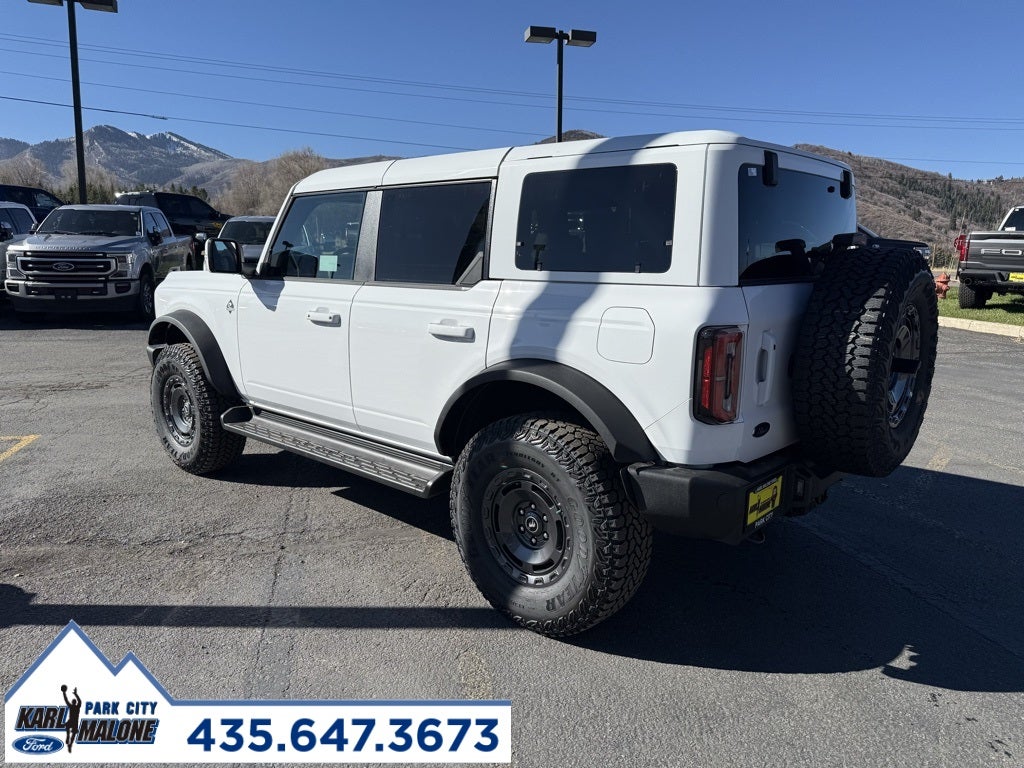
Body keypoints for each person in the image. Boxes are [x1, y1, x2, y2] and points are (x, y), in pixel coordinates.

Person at [61, 684, 81, 753]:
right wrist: (76, 694)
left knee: (68, 727)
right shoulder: (77, 707)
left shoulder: (73, 706)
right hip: (74, 722)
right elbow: (79, 701)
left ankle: (68, 738)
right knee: (73, 733)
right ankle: (69, 741)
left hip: (72, 721)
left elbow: (66, 700)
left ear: (73, 702)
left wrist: (64, 693)